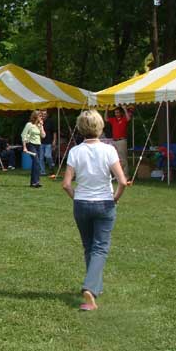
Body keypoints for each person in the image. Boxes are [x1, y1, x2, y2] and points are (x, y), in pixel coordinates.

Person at [61, 110, 127, 311]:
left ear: (81, 129)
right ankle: (90, 288)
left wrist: (77, 197)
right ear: (100, 127)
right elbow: (122, 181)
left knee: (89, 246)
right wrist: (115, 198)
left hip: (81, 204)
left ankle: (95, 286)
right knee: (100, 247)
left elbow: (66, 184)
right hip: (104, 203)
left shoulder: (75, 151)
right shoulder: (109, 150)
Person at [105, 105, 133, 175]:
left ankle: (126, 176)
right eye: (115, 112)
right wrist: (106, 110)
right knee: (115, 159)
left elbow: (128, 118)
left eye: (117, 112)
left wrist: (125, 109)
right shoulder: (114, 119)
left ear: (121, 113)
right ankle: (119, 175)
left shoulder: (124, 119)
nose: (116, 114)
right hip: (114, 141)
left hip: (121, 141)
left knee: (123, 159)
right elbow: (106, 119)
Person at [21, 110, 46, 187]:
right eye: (40, 116)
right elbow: (23, 135)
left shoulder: (39, 125)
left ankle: (34, 182)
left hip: (38, 145)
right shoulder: (29, 124)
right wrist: (24, 147)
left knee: (36, 163)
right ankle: (35, 182)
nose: (41, 117)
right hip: (31, 145)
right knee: (37, 162)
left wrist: (41, 127)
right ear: (35, 116)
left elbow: (43, 136)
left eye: (42, 116)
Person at [39, 109, 57, 175]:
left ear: (47, 115)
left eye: (45, 114)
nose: (43, 116)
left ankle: (51, 167)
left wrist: (54, 141)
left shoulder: (50, 121)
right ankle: (42, 171)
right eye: (42, 114)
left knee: (48, 156)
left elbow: (54, 132)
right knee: (41, 158)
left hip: (49, 142)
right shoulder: (39, 122)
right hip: (41, 142)